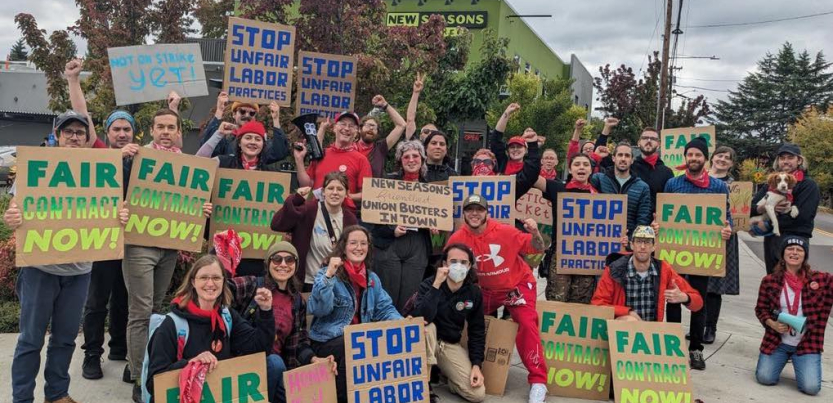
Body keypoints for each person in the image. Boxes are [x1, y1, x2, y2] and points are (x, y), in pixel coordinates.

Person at [5, 110, 131, 403]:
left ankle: (57, 393)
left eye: (80, 132)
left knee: (64, 339)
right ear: (57, 135)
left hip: (79, 272)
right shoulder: (37, 166)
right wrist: (13, 215)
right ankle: (22, 398)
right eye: (68, 132)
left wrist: (121, 216)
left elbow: (113, 213)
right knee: (30, 341)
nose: (74, 137)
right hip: (39, 269)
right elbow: (15, 206)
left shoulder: (100, 170)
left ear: (87, 138)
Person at [122, 109, 214, 400]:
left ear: (178, 132)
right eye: (160, 126)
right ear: (151, 130)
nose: (165, 131)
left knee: (156, 310)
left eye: (170, 127)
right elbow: (107, 186)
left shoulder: (182, 164)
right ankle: (139, 378)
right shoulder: (136, 157)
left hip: (169, 247)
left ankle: (141, 363)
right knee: (141, 311)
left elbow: (186, 203)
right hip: (139, 245)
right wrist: (119, 157)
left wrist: (199, 211)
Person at [446, 195, 549, 403]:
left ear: (487, 213)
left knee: (527, 324)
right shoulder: (457, 238)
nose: (474, 213)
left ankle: (538, 380)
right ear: (464, 213)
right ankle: (458, 369)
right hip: (483, 291)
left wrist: (535, 232)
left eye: (479, 210)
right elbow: (448, 265)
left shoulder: (505, 231)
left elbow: (538, 248)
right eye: (469, 210)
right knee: (459, 319)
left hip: (516, 285)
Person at [144, 255, 278, 403]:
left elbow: (259, 349)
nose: (210, 283)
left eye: (216, 278)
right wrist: (191, 364)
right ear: (193, 282)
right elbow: (153, 383)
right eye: (204, 277)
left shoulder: (228, 317)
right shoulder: (172, 325)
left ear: (223, 282)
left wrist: (266, 311)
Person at [228, 241, 337, 402]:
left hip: (279, 373)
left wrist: (315, 359)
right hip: (246, 365)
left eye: (289, 260)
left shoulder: (297, 301)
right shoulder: (252, 285)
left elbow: (299, 341)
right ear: (268, 264)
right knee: (275, 362)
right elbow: (221, 288)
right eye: (277, 259)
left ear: (295, 265)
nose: (283, 264)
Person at [307, 225, 402, 403]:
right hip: (327, 339)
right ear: (343, 247)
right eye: (353, 243)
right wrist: (328, 276)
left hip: (358, 340)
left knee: (370, 341)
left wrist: (404, 325)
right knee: (355, 343)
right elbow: (320, 310)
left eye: (363, 243)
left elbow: (385, 309)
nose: (359, 248)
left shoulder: (372, 279)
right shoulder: (327, 273)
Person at [662, 136, 733, 371]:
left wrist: (726, 229)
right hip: (675, 253)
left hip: (702, 254)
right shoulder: (673, 184)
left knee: (698, 301)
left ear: (705, 158)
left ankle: (696, 348)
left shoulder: (718, 186)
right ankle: (672, 346)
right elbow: (663, 214)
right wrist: (657, 225)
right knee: (672, 298)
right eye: (690, 154)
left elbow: (727, 217)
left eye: (698, 155)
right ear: (685, 157)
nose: (693, 158)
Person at [196, 113, 289, 277]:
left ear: (263, 144)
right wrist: (218, 134)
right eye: (248, 138)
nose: (253, 142)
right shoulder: (223, 162)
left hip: (256, 251)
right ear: (239, 143)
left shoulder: (272, 174)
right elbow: (198, 163)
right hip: (223, 247)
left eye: (257, 139)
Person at [754, 236, 832, 396]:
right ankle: (782, 358)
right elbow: (760, 309)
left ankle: (800, 360)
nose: (794, 253)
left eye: (799, 250)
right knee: (765, 377)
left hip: (807, 343)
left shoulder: (819, 280)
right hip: (777, 342)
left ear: (805, 255)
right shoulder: (770, 281)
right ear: (783, 254)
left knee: (811, 388)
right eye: (790, 249)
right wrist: (772, 323)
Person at [409, 244, 486, 403]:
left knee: (477, 394)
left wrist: (477, 365)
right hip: (426, 340)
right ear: (444, 264)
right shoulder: (429, 284)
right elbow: (421, 318)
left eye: (464, 262)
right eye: (453, 261)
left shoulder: (474, 292)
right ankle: (425, 384)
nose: (459, 266)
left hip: (448, 344)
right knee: (428, 327)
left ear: (470, 265)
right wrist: (436, 285)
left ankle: (449, 376)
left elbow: (477, 330)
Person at [370, 140, 434, 312]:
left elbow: (440, 231)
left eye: (415, 156)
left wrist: (435, 226)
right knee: (386, 295)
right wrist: (392, 230)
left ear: (422, 159)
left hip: (418, 246)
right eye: (406, 156)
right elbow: (374, 219)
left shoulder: (432, 189)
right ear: (400, 161)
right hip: (390, 245)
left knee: (410, 297)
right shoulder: (387, 183)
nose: (411, 160)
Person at [591, 226, 704, 321]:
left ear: (654, 247)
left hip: (651, 334)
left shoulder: (664, 269)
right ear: (632, 245)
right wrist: (627, 312)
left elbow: (698, 303)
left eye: (648, 242)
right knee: (631, 322)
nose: (643, 246)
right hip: (622, 333)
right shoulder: (614, 270)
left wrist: (685, 297)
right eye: (639, 241)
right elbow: (597, 305)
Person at [270, 172, 358, 292]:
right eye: (330, 188)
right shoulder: (309, 210)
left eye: (340, 189)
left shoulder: (350, 219)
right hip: (307, 282)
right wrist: (296, 200)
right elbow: (277, 224)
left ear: (346, 193)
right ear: (323, 192)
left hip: (335, 284)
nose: (335, 192)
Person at [535, 153, 599, 303]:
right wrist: (533, 148)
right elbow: (531, 177)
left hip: (587, 256)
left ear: (591, 170)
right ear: (570, 170)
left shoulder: (599, 196)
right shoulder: (558, 188)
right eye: (577, 164)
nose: (581, 167)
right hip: (561, 254)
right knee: (556, 299)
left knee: (581, 302)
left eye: (585, 164)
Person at [750, 143, 820, 274]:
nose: (785, 161)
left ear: (799, 160)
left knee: (792, 283)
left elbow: (803, 217)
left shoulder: (808, 185)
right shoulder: (771, 184)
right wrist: (763, 208)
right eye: (782, 158)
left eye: (790, 157)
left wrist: (767, 224)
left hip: (795, 240)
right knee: (772, 281)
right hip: (772, 240)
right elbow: (750, 208)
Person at [293, 111, 372, 209]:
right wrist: (299, 160)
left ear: (356, 132)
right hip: (316, 213)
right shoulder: (321, 154)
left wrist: (345, 195)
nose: (346, 128)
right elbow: (306, 185)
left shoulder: (361, 160)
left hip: (344, 217)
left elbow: (367, 194)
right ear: (334, 128)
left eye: (351, 126)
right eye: (343, 124)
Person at [703, 146, 741, 344]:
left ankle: (710, 327)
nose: (722, 160)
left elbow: (740, 215)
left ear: (732, 164)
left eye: (728, 158)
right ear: (712, 158)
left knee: (714, 287)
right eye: (720, 156)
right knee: (697, 283)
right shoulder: (700, 178)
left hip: (722, 238)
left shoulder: (736, 187)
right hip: (698, 236)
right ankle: (697, 324)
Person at [316, 95, 408, 178]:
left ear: (377, 133)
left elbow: (402, 125)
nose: (371, 129)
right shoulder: (346, 147)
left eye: (374, 127)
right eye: (368, 125)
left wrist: (385, 105)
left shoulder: (380, 148)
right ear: (359, 129)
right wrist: (322, 129)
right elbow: (318, 154)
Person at [198, 93, 288, 164]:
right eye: (242, 111)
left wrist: (276, 119)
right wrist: (219, 111)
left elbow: (278, 153)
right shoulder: (225, 137)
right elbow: (205, 153)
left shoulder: (260, 142)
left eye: (252, 113)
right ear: (234, 114)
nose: (247, 115)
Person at [590, 141, 652, 242]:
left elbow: (642, 220)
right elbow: (581, 179)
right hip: (599, 241)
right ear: (613, 158)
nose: (623, 159)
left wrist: (631, 239)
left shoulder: (642, 187)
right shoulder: (599, 179)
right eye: (620, 155)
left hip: (626, 246)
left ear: (632, 160)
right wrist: (595, 158)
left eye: (627, 156)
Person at [631, 127, 674, 211]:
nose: (649, 140)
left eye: (653, 139)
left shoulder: (667, 172)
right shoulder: (629, 167)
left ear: (658, 145)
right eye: (645, 138)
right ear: (639, 143)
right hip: (630, 221)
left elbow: (670, 203)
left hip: (655, 222)